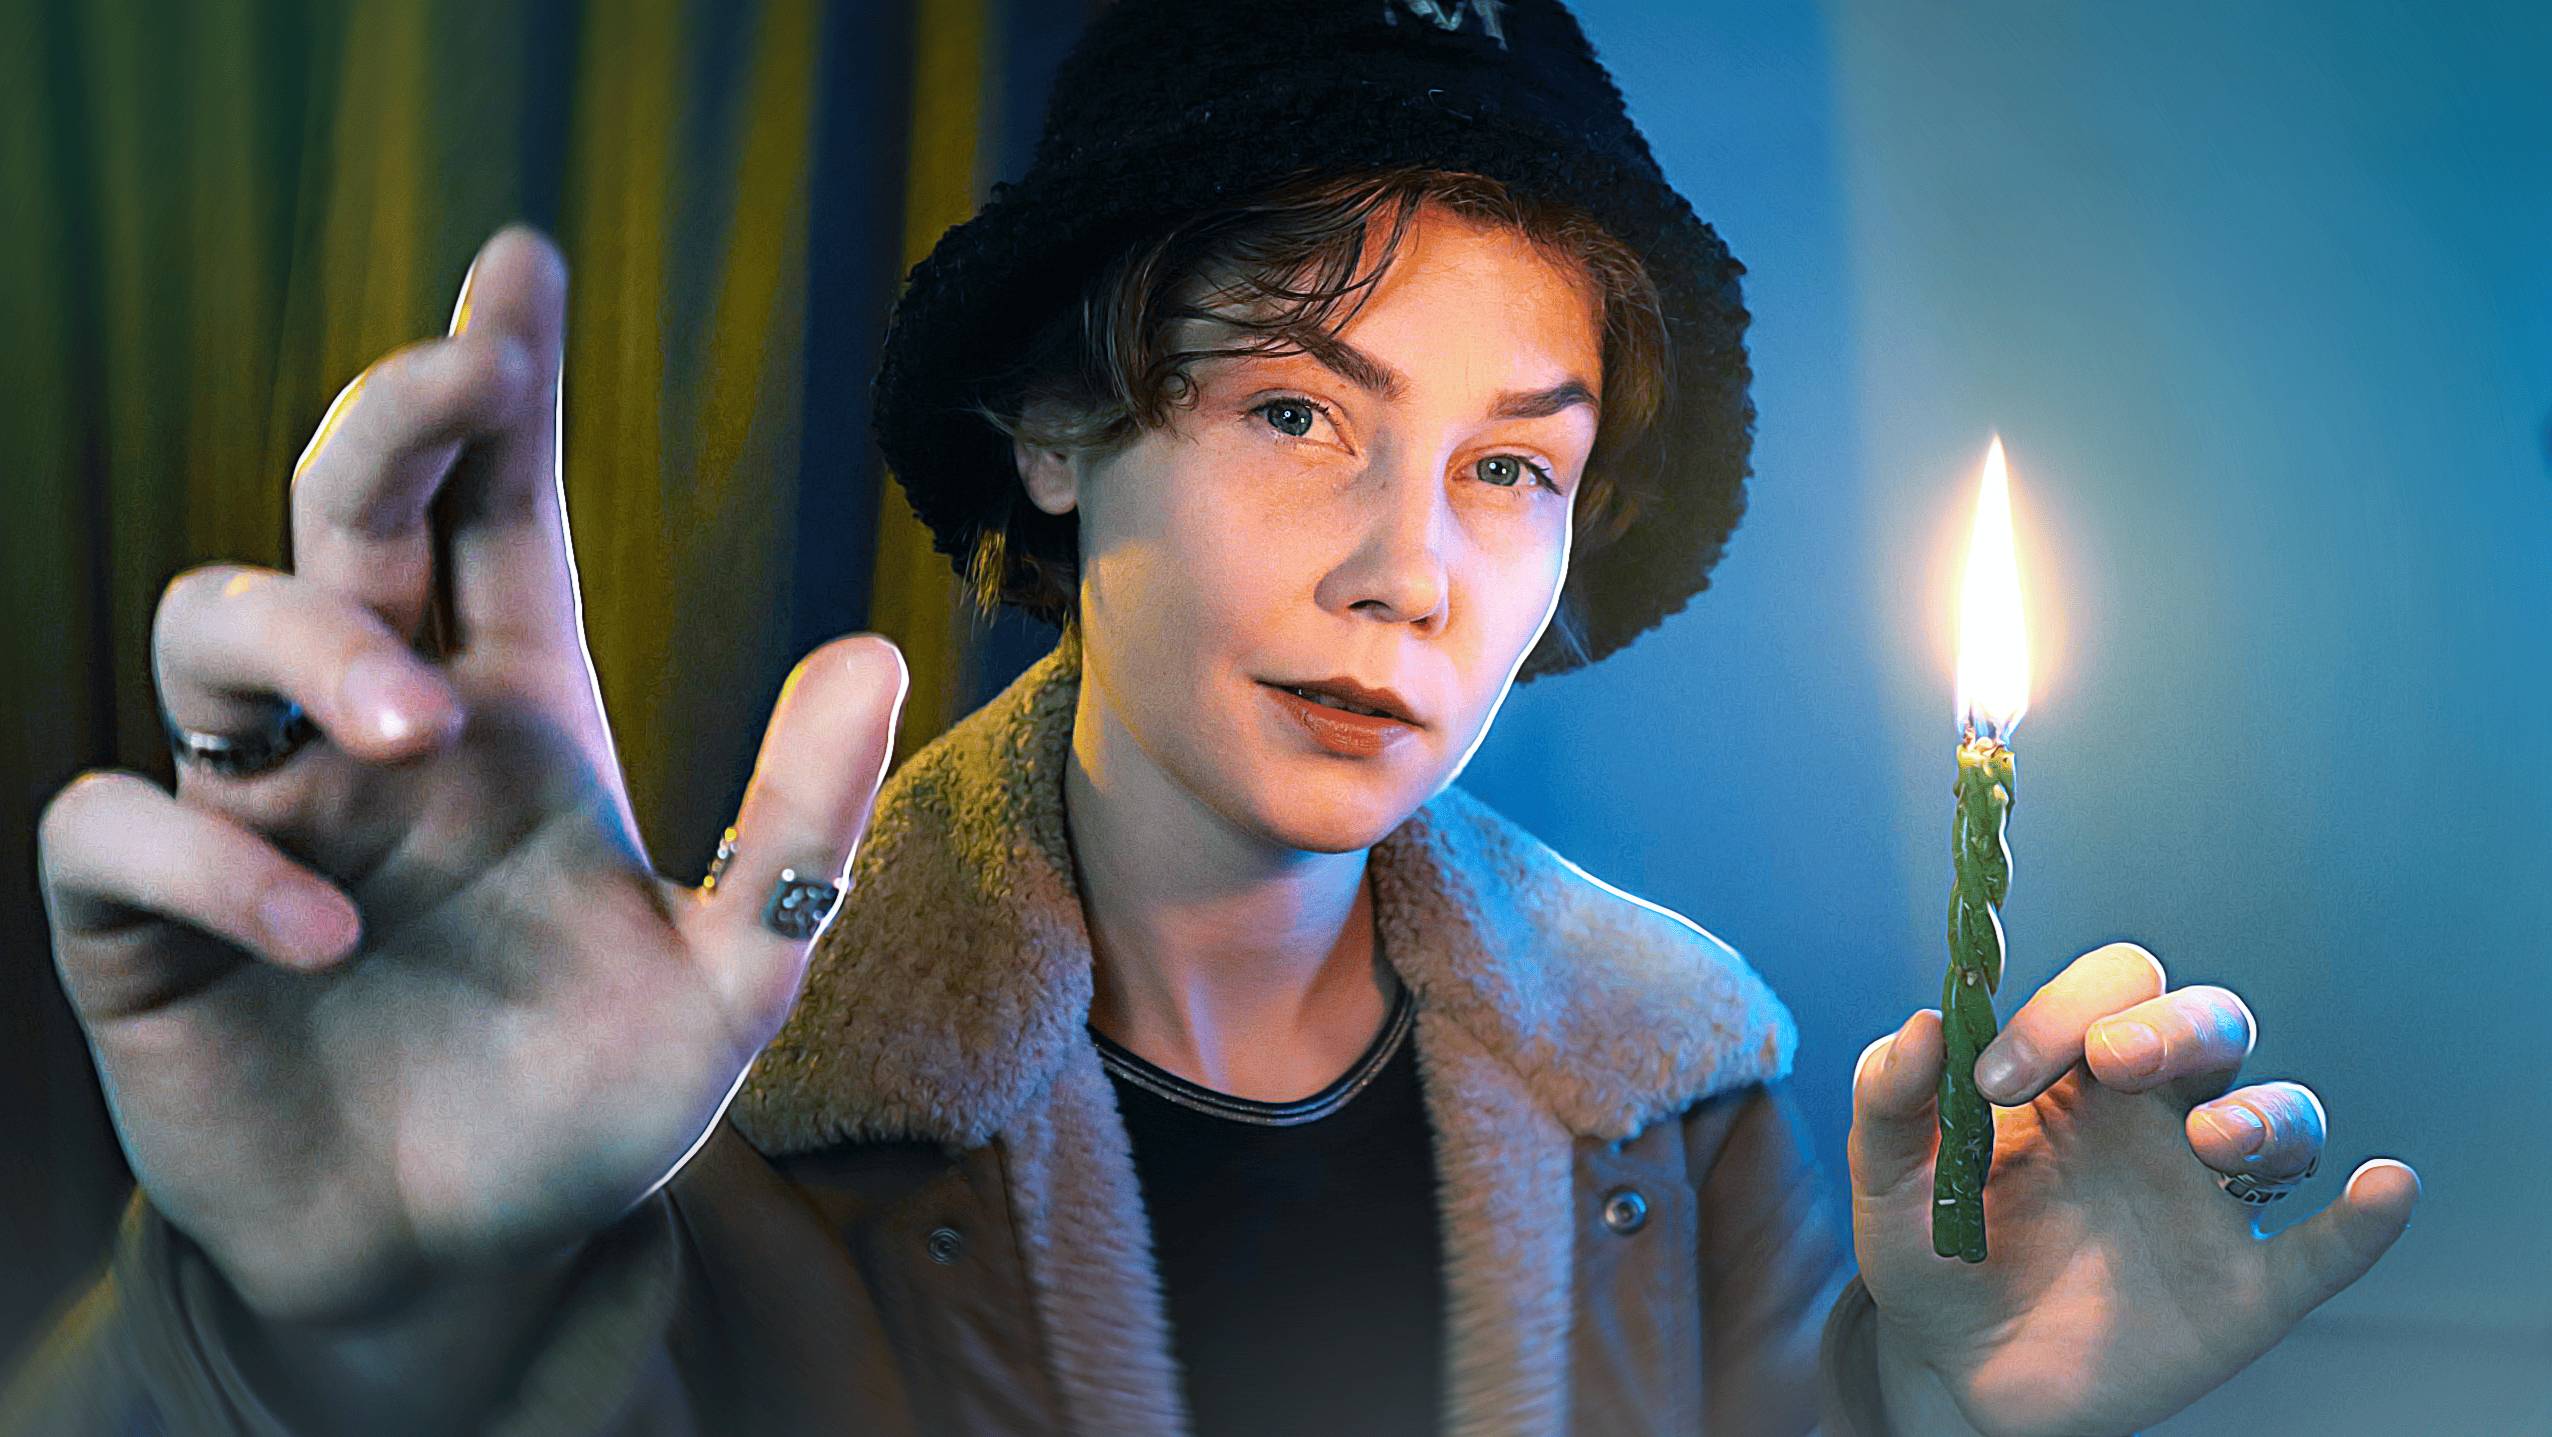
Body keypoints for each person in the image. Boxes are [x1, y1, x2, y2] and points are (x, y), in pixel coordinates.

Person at [7, 2, 2420, 1434]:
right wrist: (341, 1330)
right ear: (1062, 427)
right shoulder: (682, 1089)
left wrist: (1926, 1409)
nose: (1409, 566)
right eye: (1290, 408)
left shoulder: (1686, 1076)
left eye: (1510, 465)